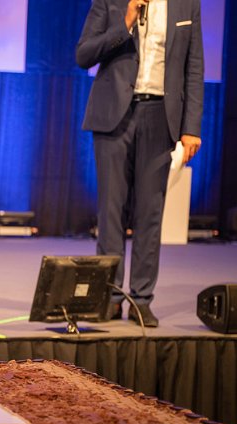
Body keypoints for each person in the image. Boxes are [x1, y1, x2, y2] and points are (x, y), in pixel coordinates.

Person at [77, 0, 203, 327]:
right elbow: (84, 54)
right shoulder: (112, 2)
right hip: (113, 117)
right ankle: (111, 296)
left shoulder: (187, 5)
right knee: (111, 210)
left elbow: (194, 66)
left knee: (150, 213)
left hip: (161, 116)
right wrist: (126, 21)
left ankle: (141, 298)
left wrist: (191, 128)